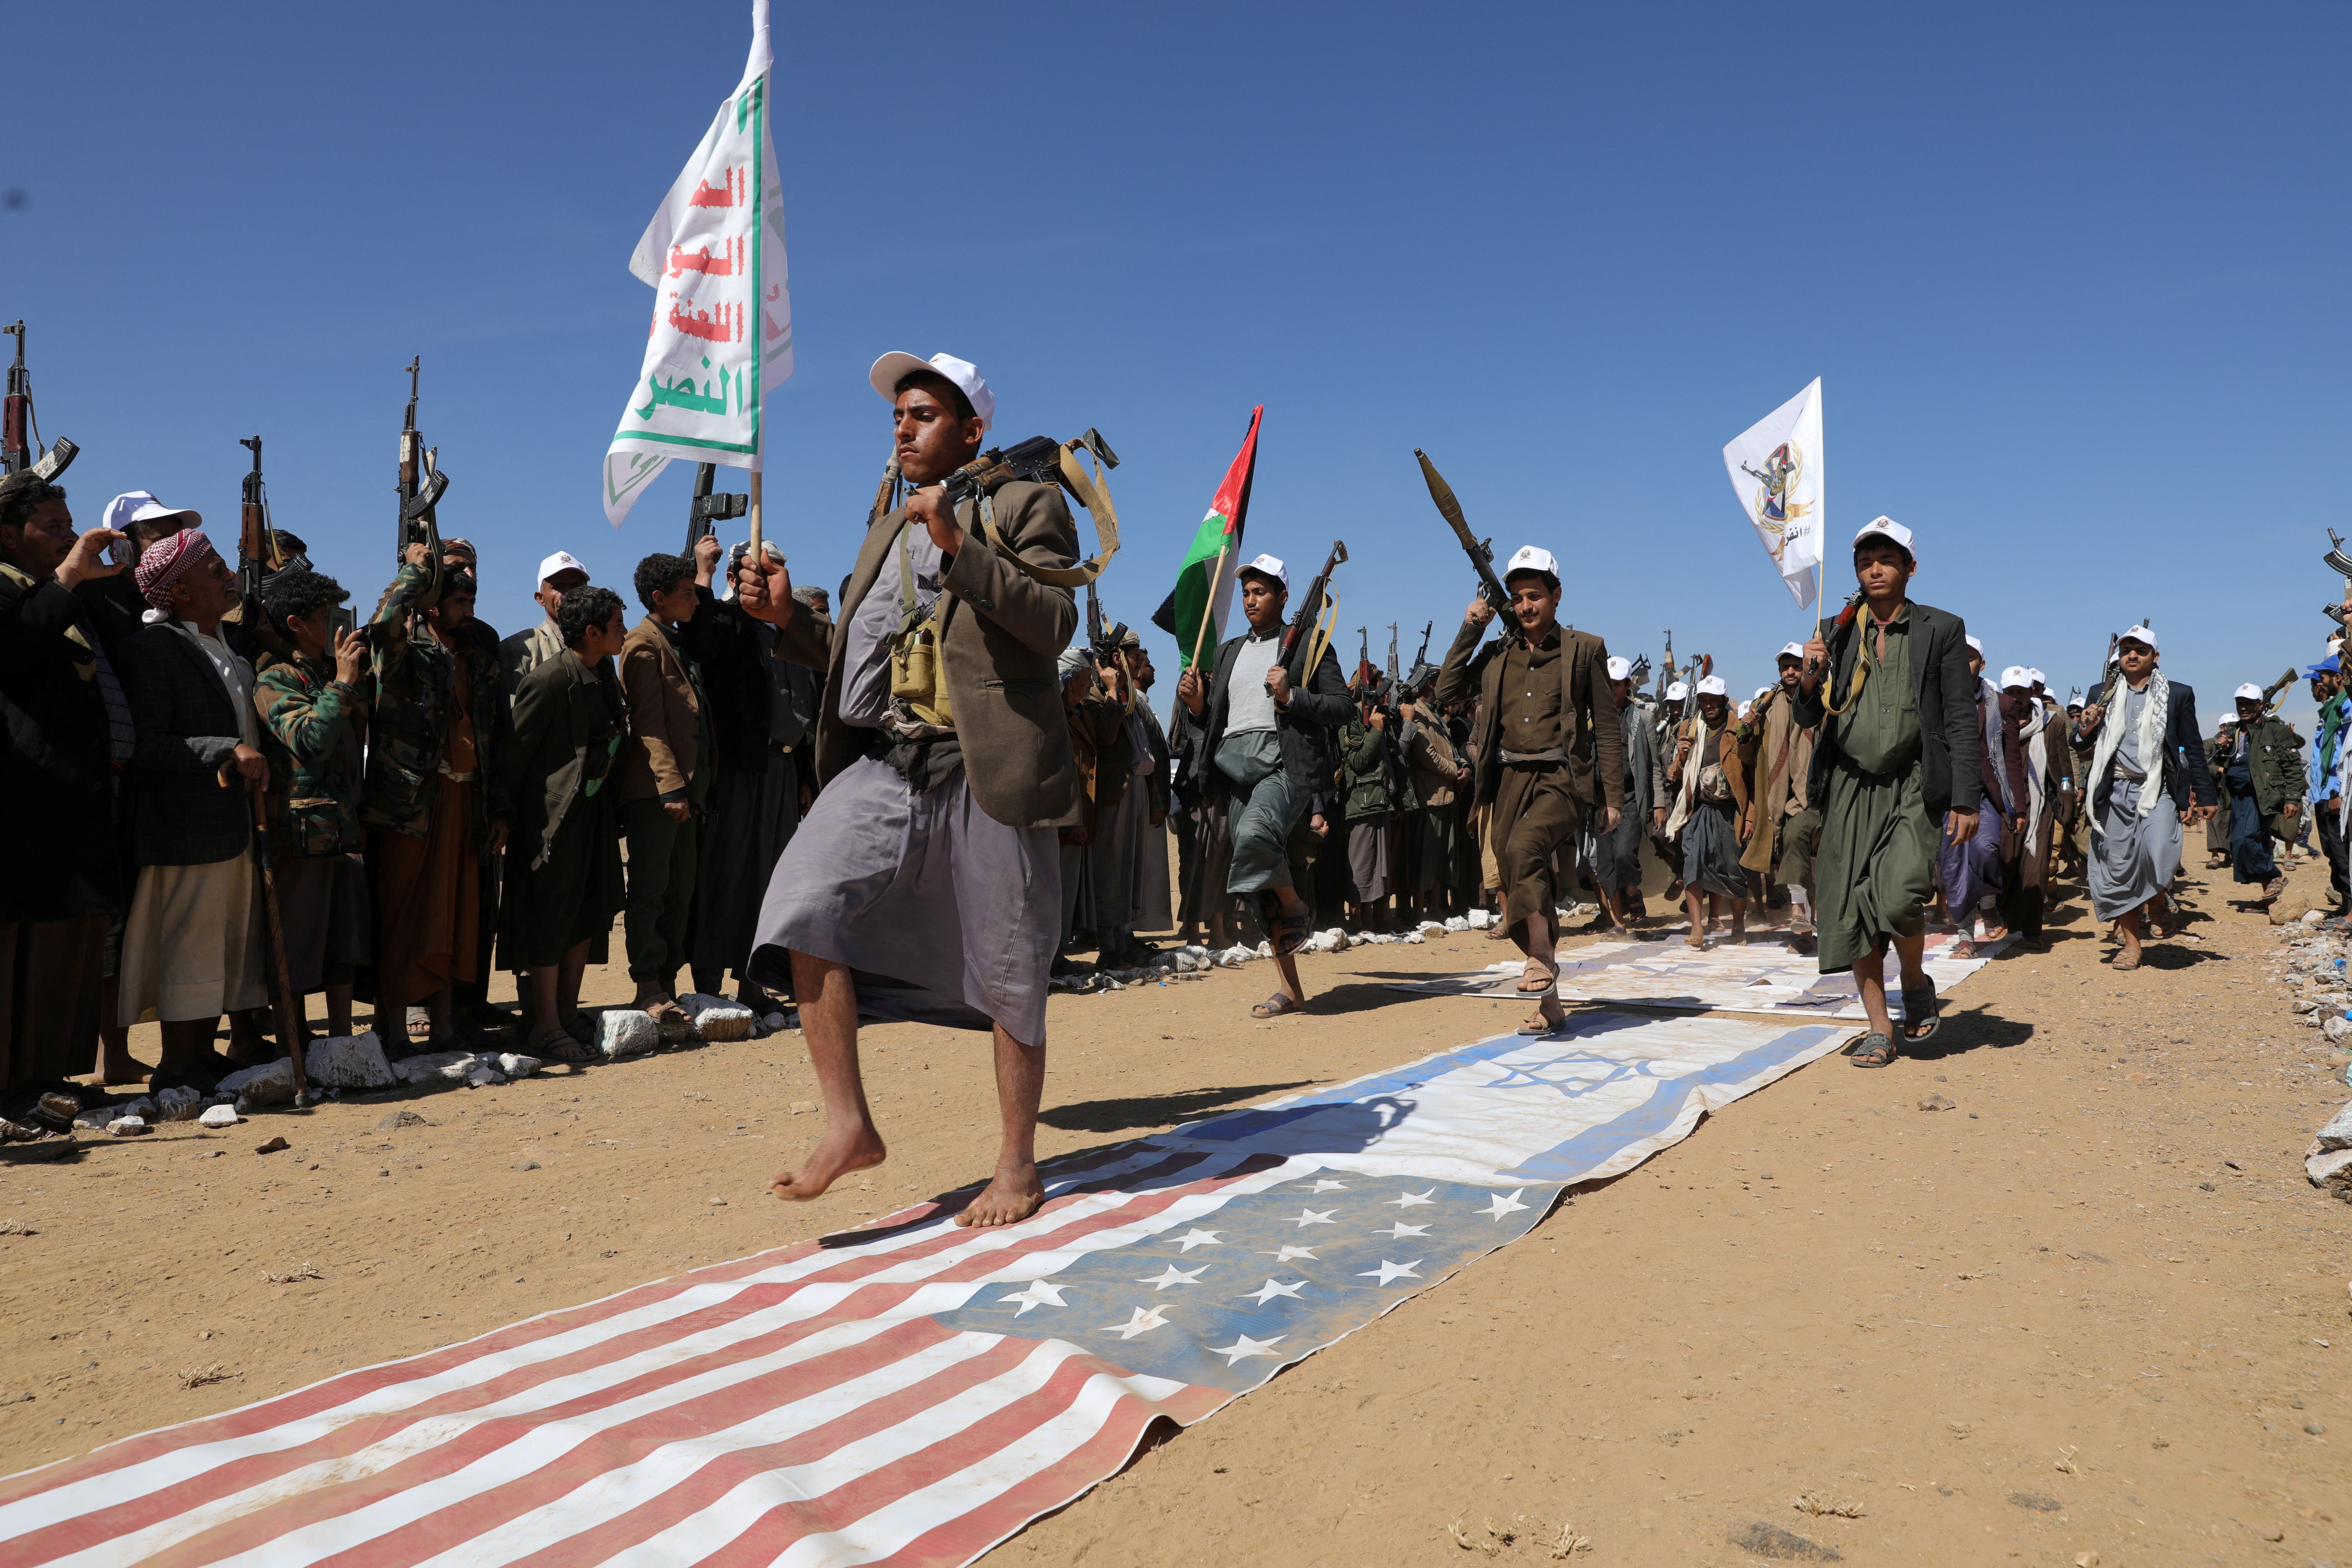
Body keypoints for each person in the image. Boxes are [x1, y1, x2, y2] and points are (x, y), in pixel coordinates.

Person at [736, 350, 1084, 1228]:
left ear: (972, 429)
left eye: (923, 413)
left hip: (989, 768)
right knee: (803, 905)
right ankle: (848, 1123)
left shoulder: (1026, 502)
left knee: (1010, 968)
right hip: (891, 762)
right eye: (898, 415)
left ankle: (1015, 1164)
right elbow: (873, 656)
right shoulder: (887, 526)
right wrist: (789, 621)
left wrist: (961, 549)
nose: (903, 427)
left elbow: (1052, 622)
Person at [1793, 516, 1981, 1069]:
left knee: (1899, 897)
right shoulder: (1834, 628)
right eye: (1865, 561)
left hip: (1912, 783)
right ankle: (1879, 1027)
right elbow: (1808, 712)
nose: (1874, 568)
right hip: (1849, 786)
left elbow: (1959, 719)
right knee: (1852, 909)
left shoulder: (1940, 628)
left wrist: (1966, 798)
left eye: (1887, 559)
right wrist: (1809, 674)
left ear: (1910, 568)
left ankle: (1916, 981)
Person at [113, 531, 272, 1089]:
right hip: (185, 828)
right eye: (214, 570)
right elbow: (148, 744)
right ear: (178, 591)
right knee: (189, 946)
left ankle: (204, 1057)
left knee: (222, 944)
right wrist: (225, 750)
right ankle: (177, 1065)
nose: (230, 576)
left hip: (231, 824)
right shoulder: (152, 649)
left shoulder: (225, 645)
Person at [1176, 553, 1353, 1015]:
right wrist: (1196, 706)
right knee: (1261, 887)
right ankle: (1290, 988)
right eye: (1247, 592)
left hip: (1285, 767)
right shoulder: (1229, 651)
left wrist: (1292, 696)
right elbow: (1213, 720)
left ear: (1283, 597)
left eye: (1261, 592)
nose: (1251, 600)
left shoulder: (1309, 646)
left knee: (1255, 837)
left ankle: (1298, 908)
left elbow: (1342, 708)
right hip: (1236, 773)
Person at [0, 476, 131, 1094]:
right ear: (7, 535)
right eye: (52, 528)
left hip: (74, 799)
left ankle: (48, 1075)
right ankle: (14, 1081)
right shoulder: (9, 589)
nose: (68, 538)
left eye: (68, 525)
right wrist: (70, 578)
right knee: (26, 949)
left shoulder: (63, 594)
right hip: (26, 801)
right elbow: (12, 649)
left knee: (71, 940)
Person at [364, 546, 511, 1052]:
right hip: (412, 804)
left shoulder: (480, 651)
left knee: (457, 917)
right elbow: (382, 625)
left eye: (472, 600)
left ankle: (446, 1026)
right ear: (430, 606)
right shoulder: (406, 648)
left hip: (467, 801)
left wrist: (500, 808)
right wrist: (414, 571)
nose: (469, 610)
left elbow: (498, 736)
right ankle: (396, 1030)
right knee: (405, 914)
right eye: (459, 601)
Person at [497, 584, 628, 1058]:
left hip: (592, 817)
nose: (623, 633)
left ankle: (567, 1016)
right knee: (549, 922)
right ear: (592, 633)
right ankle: (545, 1025)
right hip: (550, 824)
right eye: (616, 627)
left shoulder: (603, 673)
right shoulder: (548, 682)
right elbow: (514, 759)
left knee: (587, 915)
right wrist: (505, 815)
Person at [685, 538, 817, 1007]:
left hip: (783, 771)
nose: (760, 583)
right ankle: (707, 987)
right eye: (751, 574)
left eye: (769, 574)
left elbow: (802, 707)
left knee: (771, 878)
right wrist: (702, 574)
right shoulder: (725, 622)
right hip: (739, 770)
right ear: (732, 580)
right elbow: (698, 640)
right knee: (726, 872)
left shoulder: (790, 631)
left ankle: (752, 981)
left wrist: (804, 775)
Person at [252, 568, 372, 1043]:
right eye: (327, 618)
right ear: (296, 623)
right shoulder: (276, 678)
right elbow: (309, 740)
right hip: (299, 840)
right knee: (297, 950)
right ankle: (292, 1047)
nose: (340, 626)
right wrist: (342, 684)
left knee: (345, 944)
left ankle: (342, 1045)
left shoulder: (334, 673)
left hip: (341, 833)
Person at [2072, 625, 2213, 971]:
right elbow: (2079, 745)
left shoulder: (2178, 694)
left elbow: (2192, 746)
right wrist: (2086, 727)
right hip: (2114, 792)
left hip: (2158, 788)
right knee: (2119, 868)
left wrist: (2205, 792)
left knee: (2161, 851)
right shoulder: (2099, 693)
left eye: (2140, 650)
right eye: (2126, 650)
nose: (2132, 655)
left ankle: (2158, 898)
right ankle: (2132, 946)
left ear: (2156, 657)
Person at [616, 552, 712, 1023]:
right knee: (652, 890)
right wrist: (671, 789)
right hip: (659, 795)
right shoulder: (643, 644)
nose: (696, 599)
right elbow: (648, 724)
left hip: (686, 794)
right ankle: (648, 984)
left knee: (681, 888)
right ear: (660, 598)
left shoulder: (677, 639)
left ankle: (670, 982)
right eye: (688, 592)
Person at [1742, 643, 1820, 951]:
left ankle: (1809, 920)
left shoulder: (1821, 699)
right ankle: (1802, 930)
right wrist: (1747, 730)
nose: (1790, 672)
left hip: (1815, 793)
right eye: (1784, 667)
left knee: (1813, 858)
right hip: (1778, 799)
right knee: (1794, 847)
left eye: (1796, 666)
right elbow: (1748, 756)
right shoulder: (1767, 706)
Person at [1663, 675, 1748, 947]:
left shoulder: (1740, 729)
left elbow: (1754, 773)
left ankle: (1739, 925)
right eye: (1704, 701)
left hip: (1731, 810)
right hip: (1699, 809)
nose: (1709, 706)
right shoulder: (1689, 728)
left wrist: (1751, 817)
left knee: (1734, 869)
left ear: (1725, 701)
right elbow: (1676, 774)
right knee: (1692, 867)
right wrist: (1684, 755)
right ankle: (1697, 929)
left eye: (1714, 701)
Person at [2210, 680, 2305, 908]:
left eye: (2249, 704)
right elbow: (2221, 762)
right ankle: (2270, 899)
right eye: (2240, 703)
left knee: (2246, 840)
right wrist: (2222, 748)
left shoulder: (2276, 730)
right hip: (2237, 796)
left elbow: (2293, 765)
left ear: (2261, 705)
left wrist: (2292, 798)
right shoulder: (2232, 730)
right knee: (2255, 844)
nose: (2243, 708)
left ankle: (2274, 875)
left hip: (2263, 797)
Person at [1988, 667, 2062, 949]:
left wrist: (2067, 809)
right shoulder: (1993, 722)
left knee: (2036, 867)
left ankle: (2032, 928)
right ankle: (2006, 920)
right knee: (2005, 861)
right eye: (2011, 693)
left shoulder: (2051, 723)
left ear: (2033, 693)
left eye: (2021, 692)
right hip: (2004, 803)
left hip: (2040, 802)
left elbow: (2061, 766)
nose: (2016, 698)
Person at [1584, 655, 1659, 933]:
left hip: (1629, 799)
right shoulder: (1591, 720)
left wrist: (1658, 804)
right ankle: (1618, 923)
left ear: (1628, 685)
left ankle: (1632, 888)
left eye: (1616, 684)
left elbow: (1653, 767)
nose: (1611, 689)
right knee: (1605, 863)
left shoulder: (1643, 719)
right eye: (1606, 684)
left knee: (1623, 854)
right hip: (1600, 801)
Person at [498, 550, 590, 706]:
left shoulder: (598, 643)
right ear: (540, 598)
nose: (568, 594)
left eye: (576, 586)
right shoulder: (518, 650)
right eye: (558, 587)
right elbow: (516, 719)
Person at [2307, 657, 2349, 910]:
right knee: (2332, 852)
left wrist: (2337, 791)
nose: (2320, 684)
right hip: (2324, 794)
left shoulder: (2347, 708)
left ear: (2338, 678)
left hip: (2336, 792)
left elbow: (2343, 755)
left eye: (2322, 677)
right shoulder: (2332, 710)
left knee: (2342, 853)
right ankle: (2346, 906)